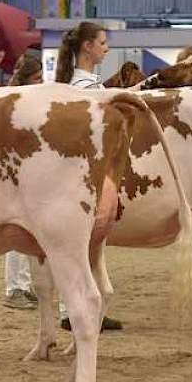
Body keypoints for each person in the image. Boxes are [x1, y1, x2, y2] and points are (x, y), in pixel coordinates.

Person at [54, 23, 122, 331]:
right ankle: (70, 310)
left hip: (81, 171)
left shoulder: (83, 84)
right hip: (80, 172)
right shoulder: (83, 89)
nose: (106, 48)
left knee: (87, 244)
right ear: (87, 47)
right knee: (77, 244)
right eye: (103, 42)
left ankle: (78, 306)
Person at [2, 53, 44, 310]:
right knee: (17, 233)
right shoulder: (14, 101)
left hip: (26, 170)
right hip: (14, 172)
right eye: (37, 78)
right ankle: (14, 288)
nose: (41, 82)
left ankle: (24, 286)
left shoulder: (25, 99)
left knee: (29, 232)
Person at [55, 21, 108, 88]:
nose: (106, 49)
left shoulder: (74, 81)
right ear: (87, 46)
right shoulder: (87, 86)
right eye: (102, 43)